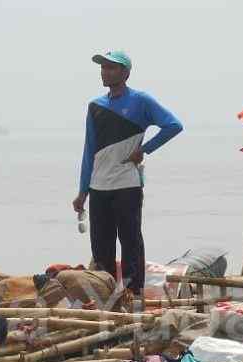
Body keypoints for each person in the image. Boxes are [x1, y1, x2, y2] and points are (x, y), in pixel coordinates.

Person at [72, 50, 183, 302]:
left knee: (130, 241)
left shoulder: (140, 101)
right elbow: (89, 151)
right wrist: (82, 192)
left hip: (127, 184)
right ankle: (106, 294)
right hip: (98, 186)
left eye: (111, 68)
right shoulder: (95, 106)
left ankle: (134, 294)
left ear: (125, 73)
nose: (105, 72)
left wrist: (144, 150)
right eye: (103, 68)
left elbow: (173, 125)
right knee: (101, 245)